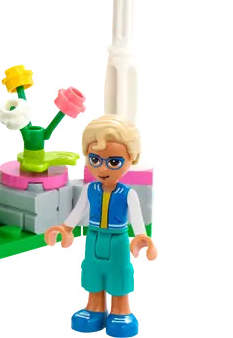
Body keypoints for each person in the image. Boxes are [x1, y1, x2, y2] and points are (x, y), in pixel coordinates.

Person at [45, 116, 157, 336]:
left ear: (131, 159)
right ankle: (94, 308)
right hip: (93, 238)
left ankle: (121, 310)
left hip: (118, 241)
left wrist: (141, 237)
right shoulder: (90, 190)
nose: (102, 168)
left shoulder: (128, 194)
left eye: (113, 162)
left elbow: (137, 219)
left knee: (119, 274)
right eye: (95, 159)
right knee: (92, 272)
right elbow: (78, 211)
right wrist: (65, 228)